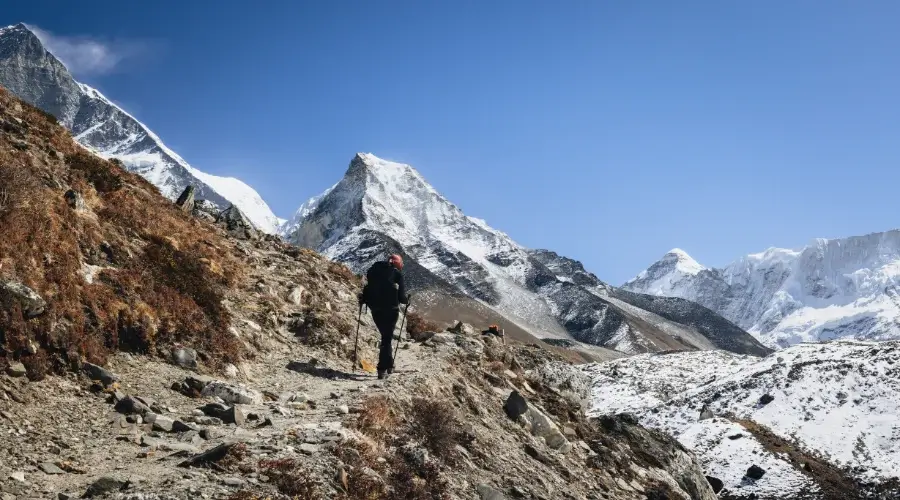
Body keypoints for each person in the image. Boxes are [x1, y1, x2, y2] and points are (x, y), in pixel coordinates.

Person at [359, 254, 408, 379]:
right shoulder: (397, 274)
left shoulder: (374, 271)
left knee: (385, 336)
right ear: (398, 264)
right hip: (391, 310)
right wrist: (407, 300)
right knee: (387, 338)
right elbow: (402, 299)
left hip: (375, 310)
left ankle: (390, 365)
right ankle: (382, 369)